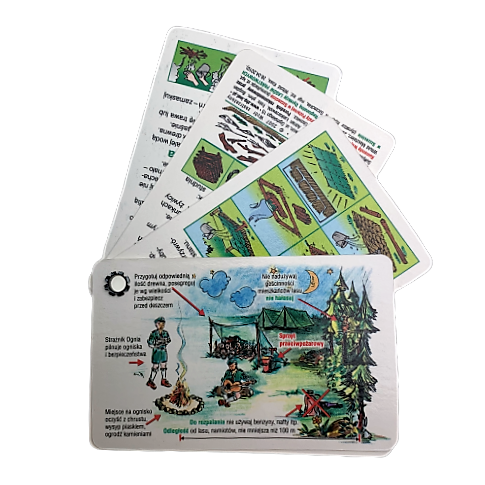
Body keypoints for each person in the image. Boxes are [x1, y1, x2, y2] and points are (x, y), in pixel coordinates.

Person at [146, 316, 171, 390]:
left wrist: (165, 341)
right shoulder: (154, 333)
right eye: (159, 324)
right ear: (156, 324)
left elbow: (169, 340)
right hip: (157, 351)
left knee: (163, 365)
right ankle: (151, 380)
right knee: (155, 366)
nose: (161, 325)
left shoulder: (165, 333)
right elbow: (150, 343)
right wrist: (155, 345)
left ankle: (163, 380)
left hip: (163, 351)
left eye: (163, 324)